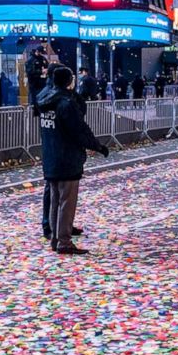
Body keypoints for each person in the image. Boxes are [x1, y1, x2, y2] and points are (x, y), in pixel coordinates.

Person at [37, 66, 109, 255]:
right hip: (66, 158)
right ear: (69, 81)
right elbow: (79, 131)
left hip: (50, 156)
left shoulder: (44, 100)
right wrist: (98, 146)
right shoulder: (66, 104)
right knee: (67, 201)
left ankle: (55, 237)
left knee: (55, 201)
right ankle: (64, 241)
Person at [25, 45, 49, 110]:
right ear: (37, 51)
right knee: (34, 100)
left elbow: (47, 66)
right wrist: (41, 71)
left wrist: (47, 70)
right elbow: (30, 71)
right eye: (41, 52)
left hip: (43, 83)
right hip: (34, 83)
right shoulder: (31, 60)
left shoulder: (43, 59)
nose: (42, 54)